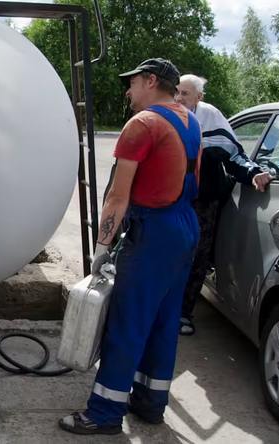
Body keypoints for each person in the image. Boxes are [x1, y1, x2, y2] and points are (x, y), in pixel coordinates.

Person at [59, 59, 201, 435]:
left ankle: (104, 414)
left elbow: (118, 198)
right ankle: (150, 404)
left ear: (151, 81)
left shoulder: (142, 124)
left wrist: (102, 247)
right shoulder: (190, 120)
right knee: (164, 322)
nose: (128, 90)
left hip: (153, 232)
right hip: (185, 227)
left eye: (133, 82)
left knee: (128, 323)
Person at [175, 74, 272, 336]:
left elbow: (234, 155)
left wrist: (254, 173)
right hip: (171, 198)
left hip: (203, 200)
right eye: (177, 92)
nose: (180, 97)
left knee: (196, 256)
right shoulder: (167, 115)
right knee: (168, 254)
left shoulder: (210, 118)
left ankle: (184, 313)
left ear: (199, 97)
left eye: (186, 93)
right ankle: (160, 310)